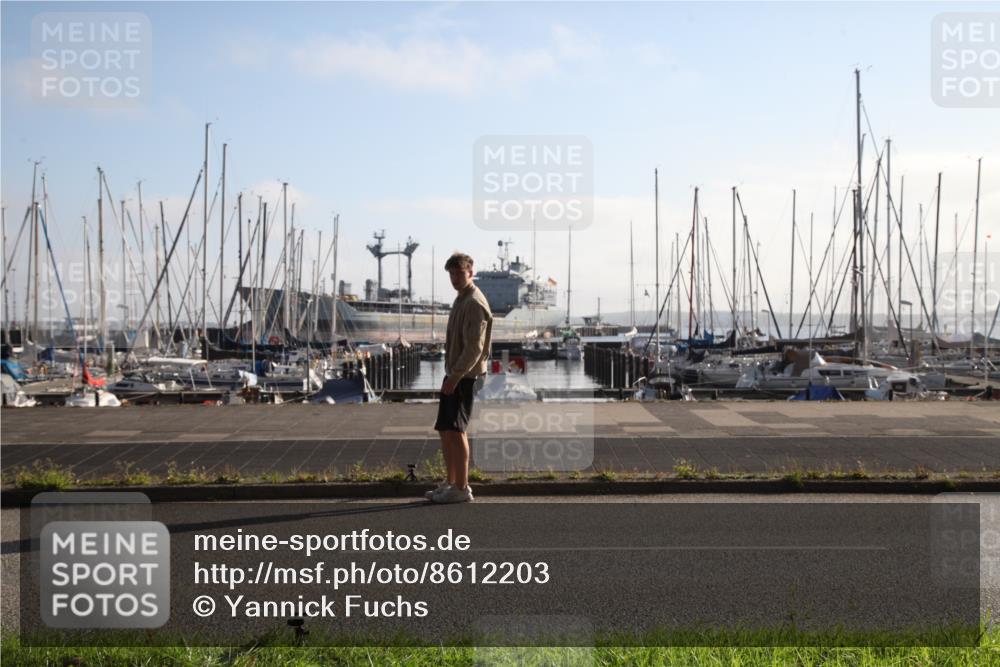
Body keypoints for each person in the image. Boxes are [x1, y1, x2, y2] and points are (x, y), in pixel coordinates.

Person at [427, 252, 493, 503]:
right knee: (445, 429)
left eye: (459, 273)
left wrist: (455, 377)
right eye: (452, 274)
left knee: (457, 430)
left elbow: (475, 348)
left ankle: (462, 488)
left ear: (470, 272)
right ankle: (451, 483)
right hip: (454, 373)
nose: (455, 278)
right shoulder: (461, 298)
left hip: (465, 376)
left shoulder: (474, 303)